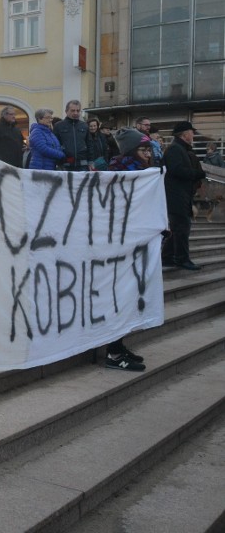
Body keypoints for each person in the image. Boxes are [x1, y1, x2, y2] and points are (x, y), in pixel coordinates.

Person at [97, 127, 153, 371]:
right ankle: (113, 353)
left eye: (150, 149)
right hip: (118, 247)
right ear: (131, 151)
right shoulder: (118, 173)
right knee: (118, 299)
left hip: (135, 245)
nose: (149, 154)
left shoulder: (143, 173)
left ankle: (119, 345)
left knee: (128, 298)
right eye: (144, 149)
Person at [162, 122, 206, 271]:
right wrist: (197, 174)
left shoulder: (180, 148)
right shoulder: (175, 149)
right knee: (182, 227)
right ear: (184, 134)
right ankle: (182, 259)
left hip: (182, 194)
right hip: (176, 195)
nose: (193, 135)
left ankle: (167, 257)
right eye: (191, 132)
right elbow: (176, 170)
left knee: (177, 228)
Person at [52, 99, 89, 170]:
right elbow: (55, 145)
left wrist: (91, 161)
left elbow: (89, 144)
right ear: (66, 111)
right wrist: (58, 161)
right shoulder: (58, 126)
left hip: (82, 164)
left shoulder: (84, 125)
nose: (75, 113)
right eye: (73, 110)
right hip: (65, 164)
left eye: (78, 110)